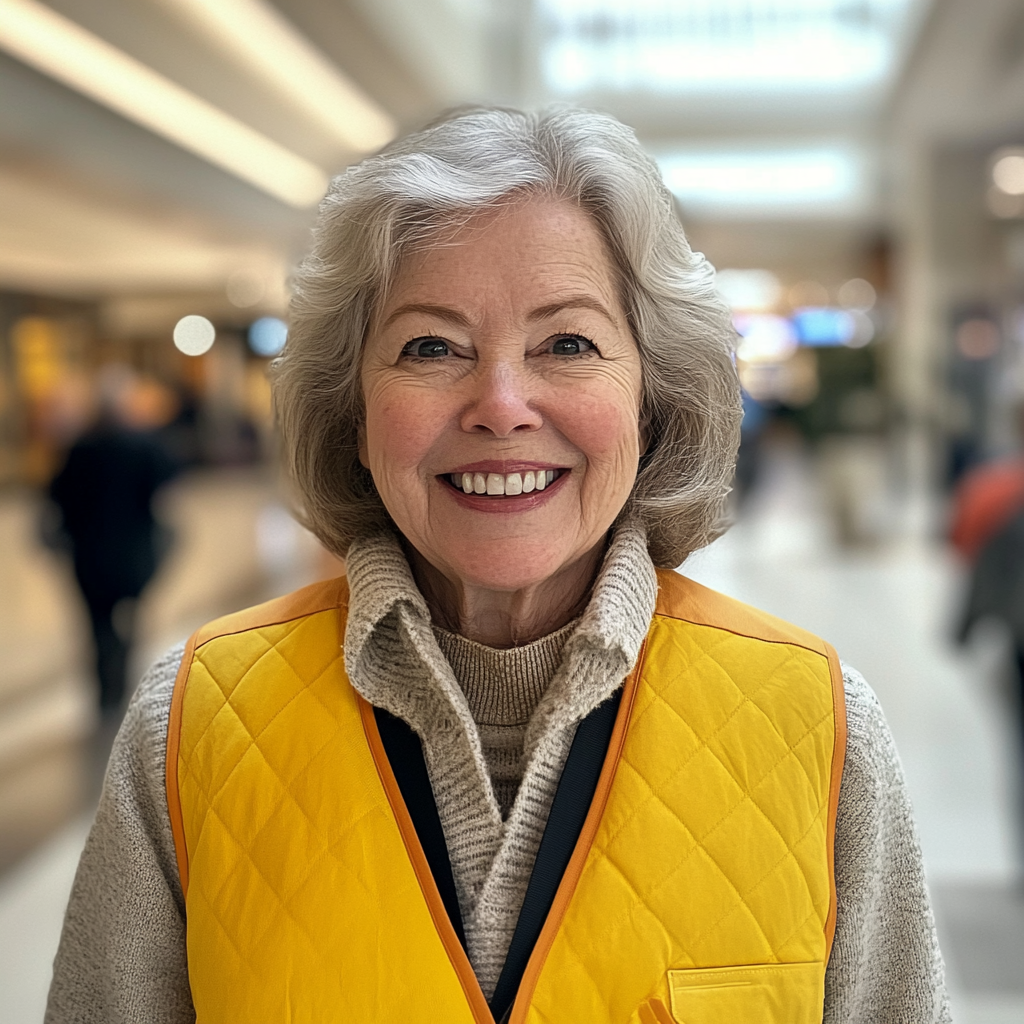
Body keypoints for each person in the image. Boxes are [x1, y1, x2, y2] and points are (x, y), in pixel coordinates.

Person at [47, 108, 950, 1024]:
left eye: (568, 343)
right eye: (430, 346)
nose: (501, 405)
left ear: (654, 398)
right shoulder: (194, 722)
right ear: (353, 412)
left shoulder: (817, 721)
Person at [48, 365, 178, 716]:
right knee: (130, 616)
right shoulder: (143, 444)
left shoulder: (79, 448)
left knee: (97, 624)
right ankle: (122, 674)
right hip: (133, 553)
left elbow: (57, 497)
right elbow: (165, 485)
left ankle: (106, 688)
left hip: (88, 556)